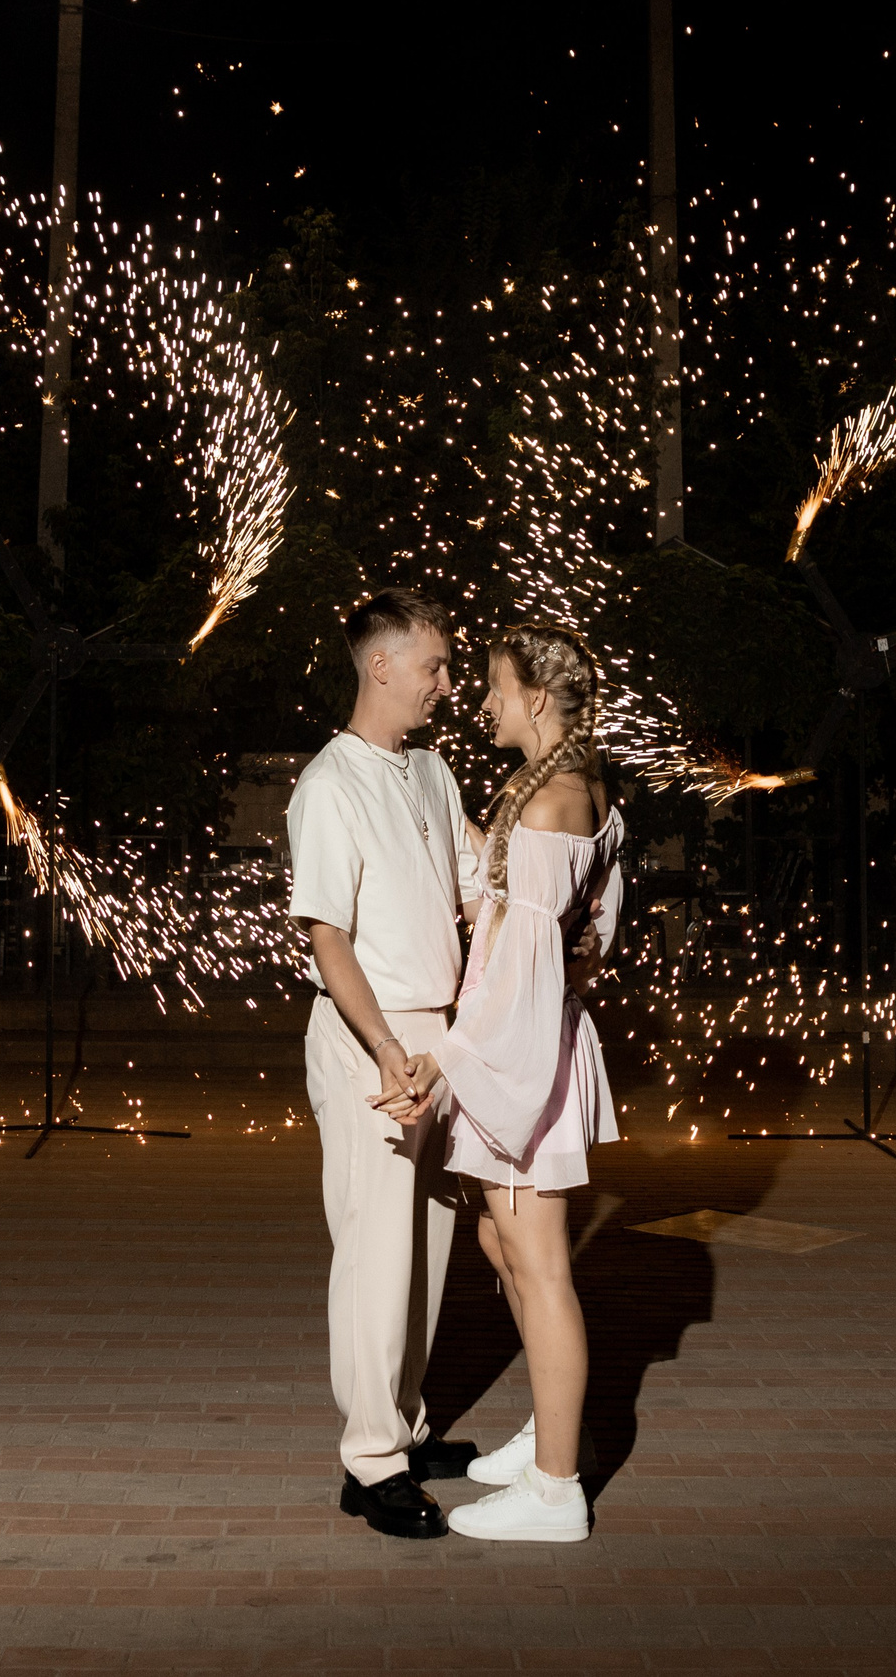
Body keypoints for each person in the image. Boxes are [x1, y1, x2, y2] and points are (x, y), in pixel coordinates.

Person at [415, 622, 624, 1543]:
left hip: (522, 1055)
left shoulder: (551, 805)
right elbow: (593, 936)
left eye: (497, 687)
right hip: (535, 1041)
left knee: (538, 1269)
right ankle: (555, 1423)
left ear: (538, 697)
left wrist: (453, 1063)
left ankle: (555, 1488)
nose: (485, 701)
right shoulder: (566, 790)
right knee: (508, 1249)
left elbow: (524, 975)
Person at [285, 587, 486, 1540]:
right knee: (375, 1254)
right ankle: (369, 1465)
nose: (447, 683)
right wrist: (390, 1051)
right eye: (435, 665)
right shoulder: (329, 783)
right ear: (381, 666)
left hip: (438, 1036)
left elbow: (473, 881)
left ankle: (402, 1427)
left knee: (430, 1251)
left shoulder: (433, 772)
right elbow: (328, 937)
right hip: (374, 1038)